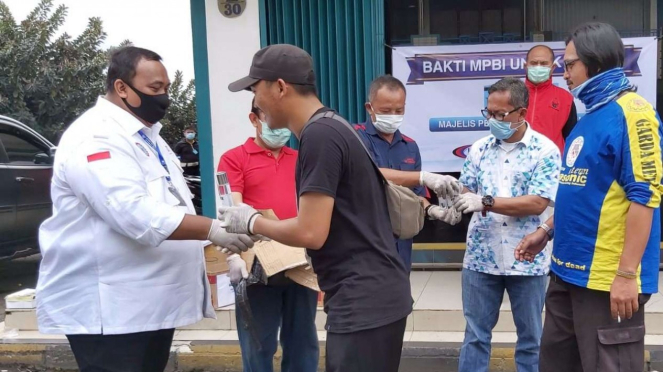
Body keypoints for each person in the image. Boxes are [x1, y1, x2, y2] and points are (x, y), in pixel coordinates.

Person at [220, 44, 460, 372]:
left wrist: (251, 222)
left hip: (363, 300)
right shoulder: (334, 125)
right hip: (373, 295)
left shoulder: (319, 136)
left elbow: (310, 232)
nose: (256, 101)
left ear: (279, 87)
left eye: (256, 89)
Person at [36, 46, 257, 372]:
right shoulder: (96, 136)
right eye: (155, 89)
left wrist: (221, 250)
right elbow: (133, 212)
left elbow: (171, 204)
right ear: (122, 87)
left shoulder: (148, 137)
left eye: (166, 88)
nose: (164, 97)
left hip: (145, 306)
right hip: (112, 312)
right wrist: (212, 229)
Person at [515, 22, 663, 372]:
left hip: (606, 279)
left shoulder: (635, 114)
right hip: (566, 271)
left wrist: (627, 275)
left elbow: (645, 198)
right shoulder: (589, 116)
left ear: (595, 62)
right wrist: (546, 231)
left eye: (569, 64)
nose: (562, 73)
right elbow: (583, 192)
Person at [454, 77, 561, 372]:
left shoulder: (545, 151)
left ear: (521, 113)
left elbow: (538, 202)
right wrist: (457, 200)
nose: (493, 120)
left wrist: (486, 201)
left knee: (531, 338)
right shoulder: (479, 149)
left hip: (526, 258)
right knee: (475, 336)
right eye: (489, 113)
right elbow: (466, 190)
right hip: (480, 257)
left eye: (500, 115)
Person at [217, 99, 319, 372]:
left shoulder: (300, 159)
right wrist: (234, 257)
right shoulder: (234, 158)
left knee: (303, 343)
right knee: (258, 346)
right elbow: (232, 210)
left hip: (299, 261)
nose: (280, 128)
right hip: (256, 266)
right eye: (271, 118)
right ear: (254, 119)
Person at [355, 74, 461, 270]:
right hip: (366, 242)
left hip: (401, 242)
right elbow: (370, 173)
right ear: (370, 108)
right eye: (386, 111)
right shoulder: (355, 138)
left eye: (399, 110)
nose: (393, 115)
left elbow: (415, 197)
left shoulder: (410, 146)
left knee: (401, 296)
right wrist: (422, 177)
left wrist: (433, 210)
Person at [524, 45, 577, 155]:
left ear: (552, 67)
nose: (538, 67)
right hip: (518, 165)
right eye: (534, 63)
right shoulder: (512, 95)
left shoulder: (565, 98)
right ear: (526, 66)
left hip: (553, 167)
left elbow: (571, 139)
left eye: (543, 63)